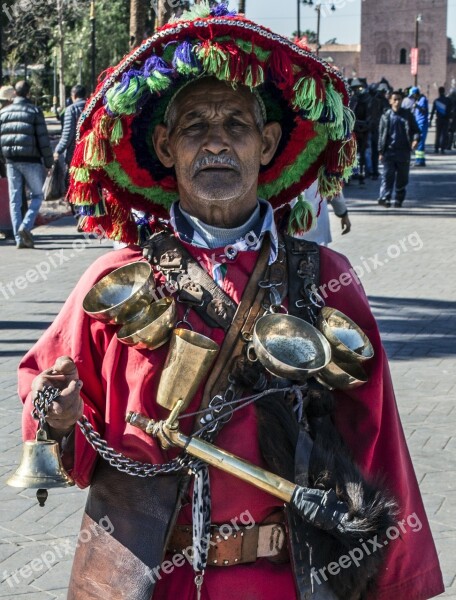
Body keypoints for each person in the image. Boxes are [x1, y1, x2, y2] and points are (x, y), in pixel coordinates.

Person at [17, 5, 443, 600]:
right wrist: (56, 416)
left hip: (290, 581)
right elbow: (52, 400)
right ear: (165, 147)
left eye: (235, 126)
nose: (216, 143)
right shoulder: (114, 279)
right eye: (195, 127)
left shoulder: (323, 275)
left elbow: (376, 439)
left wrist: (397, 581)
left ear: (266, 143)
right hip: (152, 580)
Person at [0, 80, 53, 248]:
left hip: (10, 161)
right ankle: (25, 227)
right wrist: (49, 162)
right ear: (29, 94)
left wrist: (3, 159)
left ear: (15, 93)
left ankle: (18, 239)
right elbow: (43, 140)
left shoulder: (4, 113)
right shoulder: (34, 111)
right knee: (37, 195)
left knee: (14, 200)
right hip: (31, 161)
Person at [378, 90, 420, 208]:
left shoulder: (407, 115)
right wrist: (380, 151)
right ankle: (385, 198)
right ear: (390, 101)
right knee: (387, 176)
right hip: (389, 152)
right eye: (395, 99)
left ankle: (398, 199)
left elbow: (415, 130)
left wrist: (415, 140)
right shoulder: (385, 116)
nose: (397, 102)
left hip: (403, 152)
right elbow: (381, 135)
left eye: (399, 99)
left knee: (402, 178)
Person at [299, 180, 351, 246]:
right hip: (316, 225)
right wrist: (343, 213)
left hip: (287, 226)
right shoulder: (320, 169)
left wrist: (343, 213)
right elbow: (333, 186)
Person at [53, 84, 87, 170]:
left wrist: (57, 150)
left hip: (75, 154)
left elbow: (67, 135)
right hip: (92, 153)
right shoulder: (93, 107)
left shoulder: (71, 109)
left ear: (74, 95)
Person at [406, 86, 429, 166]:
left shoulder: (423, 99)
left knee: (420, 142)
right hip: (418, 123)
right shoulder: (418, 100)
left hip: (422, 124)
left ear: (416, 94)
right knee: (418, 141)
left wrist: (417, 107)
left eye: (413, 96)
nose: (412, 97)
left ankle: (420, 161)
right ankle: (419, 159)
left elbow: (424, 110)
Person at [429, 86, 452, 154]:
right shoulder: (448, 100)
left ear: (439, 92)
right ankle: (442, 148)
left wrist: (430, 120)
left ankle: (436, 148)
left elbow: (433, 111)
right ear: (444, 91)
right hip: (446, 119)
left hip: (438, 119)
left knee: (438, 134)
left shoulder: (436, 101)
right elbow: (451, 110)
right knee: (444, 134)